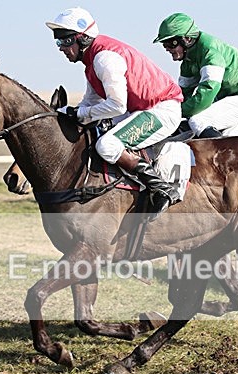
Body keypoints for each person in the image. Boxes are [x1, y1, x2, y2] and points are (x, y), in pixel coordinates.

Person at [46, 7, 184, 218]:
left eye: (65, 41)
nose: (61, 48)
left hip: (161, 110)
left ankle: (162, 189)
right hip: (141, 109)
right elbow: (89, 103)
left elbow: (117, 105)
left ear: (82, 39)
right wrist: (67, 113)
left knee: (107, 145)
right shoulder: (91, 62)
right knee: (93, 133)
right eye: (58, 42)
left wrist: (81, 114)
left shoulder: (104, 60)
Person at [154, 13, 238, 139]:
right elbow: (182, 95)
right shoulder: (187, 63)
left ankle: (234, 146)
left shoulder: (210, 52)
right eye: (164, 44)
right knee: (185, 125)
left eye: (170, 43)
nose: (166, 48)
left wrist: (177, 112)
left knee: (198, 120)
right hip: (229, 99)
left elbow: (207, 92)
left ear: (187, 39)